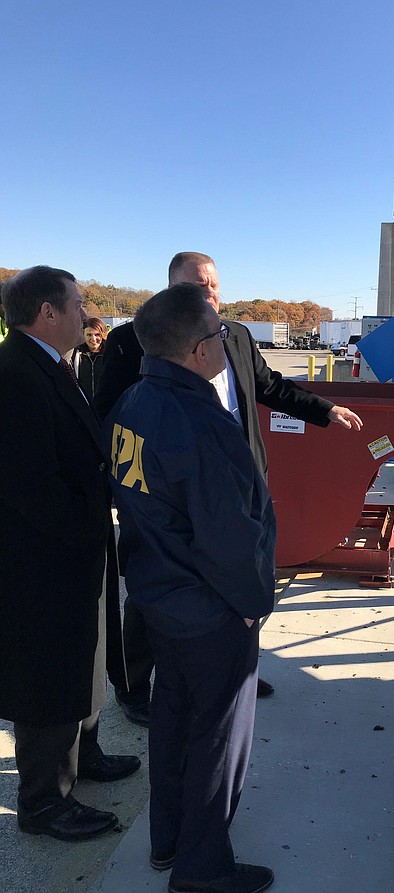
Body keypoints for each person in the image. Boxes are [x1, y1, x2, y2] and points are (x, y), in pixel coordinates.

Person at [95, 251, 363, 725]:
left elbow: (269, 386)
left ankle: (237, 664)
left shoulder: (234, 335)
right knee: (158, 589)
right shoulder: (132, 339)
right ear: (172, 289)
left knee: (243, 571)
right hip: (168, 491)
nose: (210, 295)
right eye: (199, 287)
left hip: (234, 478)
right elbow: (113, 413)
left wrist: (324, 410)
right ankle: (135, 684)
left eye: (214, 285)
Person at [106, 284, 276, 893]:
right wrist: (255, 604)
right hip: (209, 610)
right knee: (218, 740)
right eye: (219, 336)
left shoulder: (132, 402)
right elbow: (229, 536)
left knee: (175, 722)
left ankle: (168, 840)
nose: (226, 347)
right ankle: (202, 867)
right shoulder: (203, 424)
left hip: (157, 599)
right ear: (201, 351)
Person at [0, 266, 140, 843]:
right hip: (45, 560)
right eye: (78, 305)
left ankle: (85, 755)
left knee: (86, 656)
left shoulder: (50, 364)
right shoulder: (15, 374)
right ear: (47, 313)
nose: (88, 314)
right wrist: (84, 528)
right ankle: (43, 801)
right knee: (49, 672)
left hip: (75, 548)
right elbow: (29, 483)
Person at [72, 316, 107, 401]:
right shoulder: (76, 354)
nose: (93, 339)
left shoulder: (109, 354)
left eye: (97, 335)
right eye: (89, 335)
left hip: (105, 406)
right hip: (84, 405)